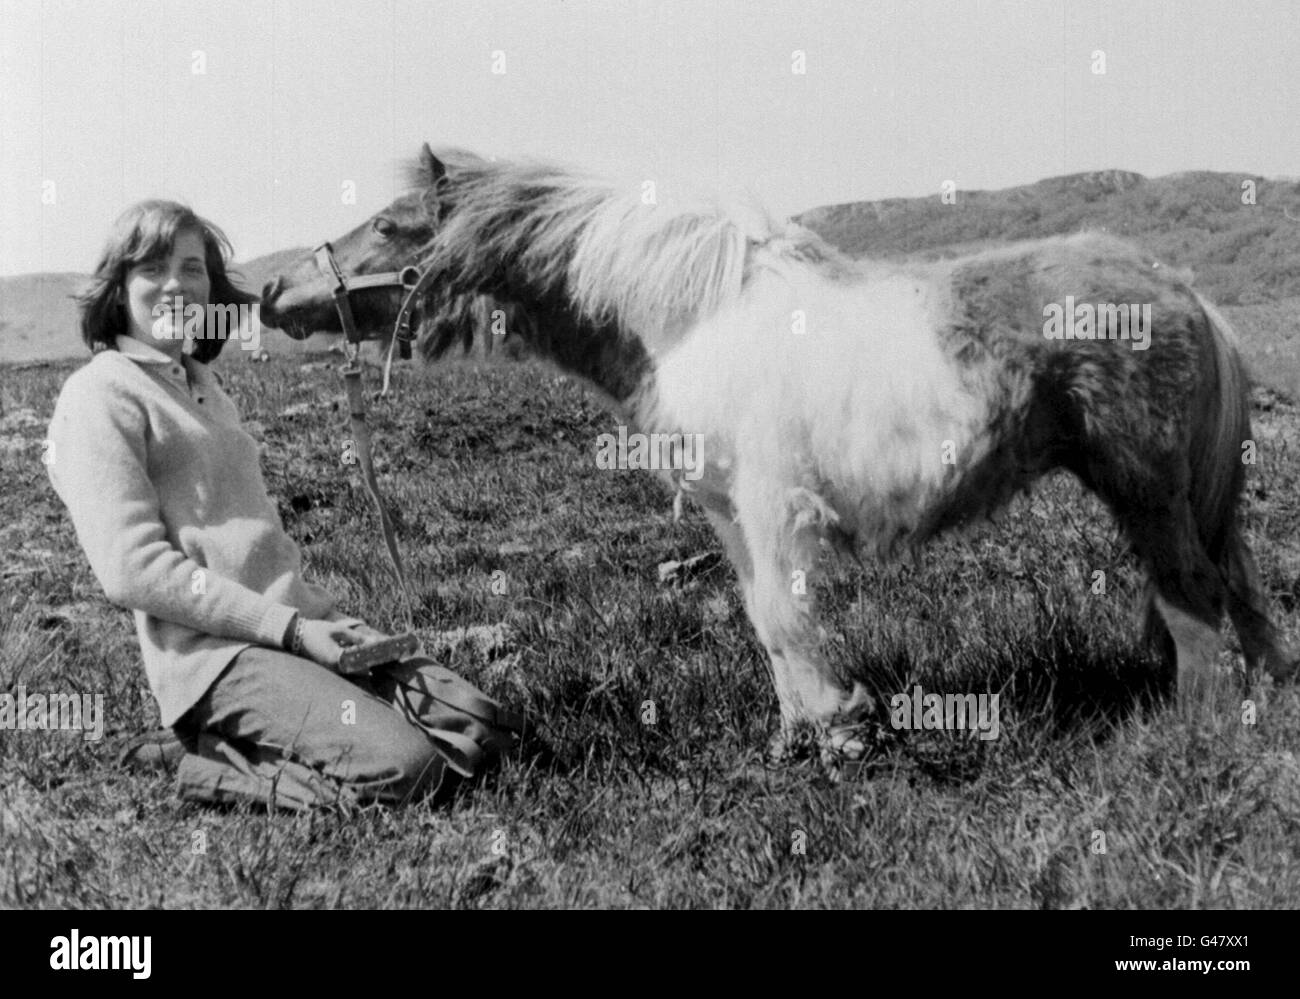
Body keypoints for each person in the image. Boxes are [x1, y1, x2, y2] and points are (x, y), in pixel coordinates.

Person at [46, 200, 449, 810]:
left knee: (472, 730)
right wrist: (289, 631)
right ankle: (201, 763)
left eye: (193, 269)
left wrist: (318, 619)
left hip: (294, 632)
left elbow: (254, 540)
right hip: (215, 658)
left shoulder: (202, 385)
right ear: (119, 286)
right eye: (152, 268)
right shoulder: (98, 394)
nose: (176, 285)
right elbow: (133, 571)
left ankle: (262, 723)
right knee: (406, 769)